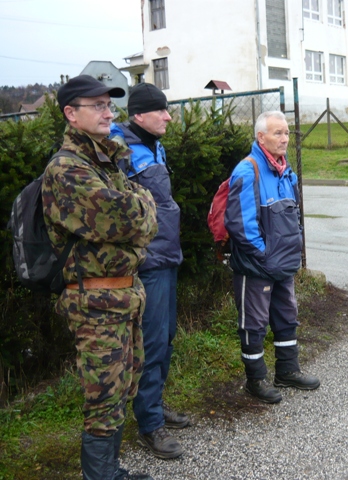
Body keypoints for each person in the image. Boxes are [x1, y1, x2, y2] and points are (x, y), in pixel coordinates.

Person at [44, 75, 158, 479]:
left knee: (124, 387)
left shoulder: (103, 162)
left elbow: (141, 214)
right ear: (71, 114)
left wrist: (139, 210)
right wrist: (140, 209)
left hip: (123, 297)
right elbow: (129, 215)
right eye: (97, 105)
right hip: (95, 303)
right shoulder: (66, 169)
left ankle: (111, 471)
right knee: (104, 396)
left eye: (109, 105)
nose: (108, 112)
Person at [110, 83, 189, 460]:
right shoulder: (118, 149)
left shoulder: (154, 146)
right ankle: (149, 425)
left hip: (167, 257)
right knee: (152, 342)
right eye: (162, 110)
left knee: (167, 336)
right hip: (148, 263)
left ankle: (155, 405)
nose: (169, 116)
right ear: (140, 114)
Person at [224, 110, 320, 404]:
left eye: (287, 133)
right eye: (277, 133)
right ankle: (255, 380)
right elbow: (240, 223)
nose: (284, 138)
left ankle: (287, 371)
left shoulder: (285, 170)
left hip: (283, 264)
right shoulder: (247, 170)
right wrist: (263, 255)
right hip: (258, 266)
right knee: (253, 324)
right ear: (260, 137)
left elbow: (294, 217)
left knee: (286, 317)